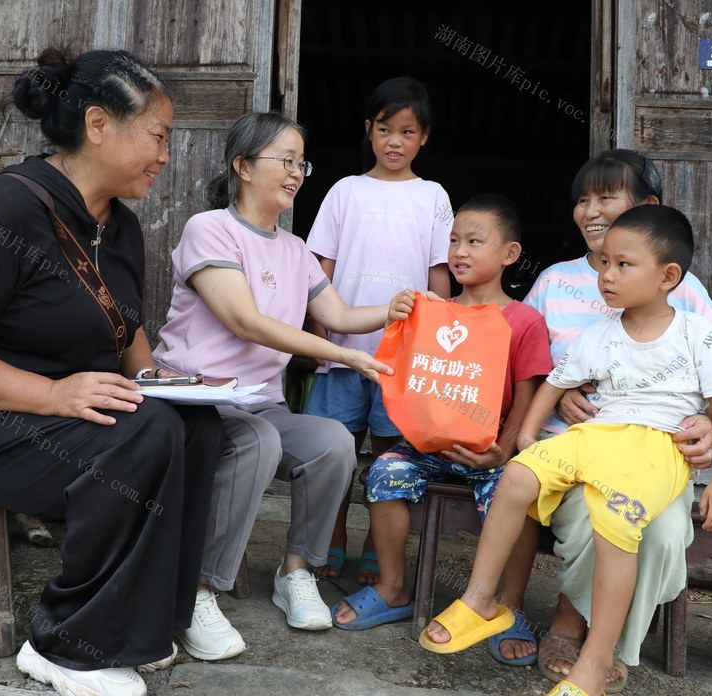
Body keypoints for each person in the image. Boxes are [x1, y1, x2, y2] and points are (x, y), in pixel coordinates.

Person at [0, 49, 222, 696]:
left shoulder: (121, 228)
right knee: (146, 432)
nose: (166, 156)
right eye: (157, 137)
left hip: (69, 415)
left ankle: (144, 624)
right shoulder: (2, 213)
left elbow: (124, 329)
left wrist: (161, 384)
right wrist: (51, 393)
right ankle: (66, 645)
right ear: (98, 125)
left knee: (196, 425)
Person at [419, 204, 712, 696]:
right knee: (517, 477)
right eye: (604, 263)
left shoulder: (697, 334)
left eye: (623, 264)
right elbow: (554, 384)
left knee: (615, 521)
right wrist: (526, 439)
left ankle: (593, 661)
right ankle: (482, 600)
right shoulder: (600, 333)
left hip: (656, 446)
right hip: (595, 435)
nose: (606, 275)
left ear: (668, 276)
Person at [151, 111, 414, 662]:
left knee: (333, 441)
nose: (296, 173)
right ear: (243, 167)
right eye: (286, 160)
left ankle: (296, 570)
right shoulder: (210, 229)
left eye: (302, 163)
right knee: (259, 440)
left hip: (258, 402)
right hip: (195, 399)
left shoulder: (295, 250)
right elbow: (245, 320)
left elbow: (338, 314)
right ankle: (198, 589)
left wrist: (393, 310)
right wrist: (341, 354)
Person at [517, 150, 712, 687]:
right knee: (592, 517)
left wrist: (707, 425)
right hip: (574, 451)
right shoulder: (553, 282)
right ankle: (572, 622)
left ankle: (609, 640)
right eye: (582, 199)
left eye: (606, 197)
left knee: (663, 533)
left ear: (646, 207)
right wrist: (557, 398)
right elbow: (528, 369)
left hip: (657, 456)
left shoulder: (685, 291)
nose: (589, 210)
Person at [329, 195, 551, 654]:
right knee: (384, 471)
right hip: (429, 450)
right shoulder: (433, 312)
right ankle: (393, 587)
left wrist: (503, 451)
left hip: (492, 453)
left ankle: (507, 606)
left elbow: (527, 397)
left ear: (510, 253)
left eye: (474, 241)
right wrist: (403, 318)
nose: (459, 252)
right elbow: (410, 378)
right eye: (453, 241)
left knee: (520, 495)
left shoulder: (524, 320)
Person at [305, 76, 452, 585]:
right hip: (343, 351)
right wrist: (318, 337)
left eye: (407, 132)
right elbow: (320, 269)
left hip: (402, 359)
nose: (394, 142)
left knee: (392, 458)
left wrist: (438, 346)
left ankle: (376, 542)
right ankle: (330, 536)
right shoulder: (345, 191)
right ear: (369, 129)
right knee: (333, 454)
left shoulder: (433, 196)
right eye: (385, 129)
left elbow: (438, 275)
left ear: (424, 137)